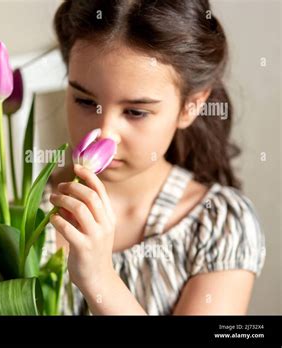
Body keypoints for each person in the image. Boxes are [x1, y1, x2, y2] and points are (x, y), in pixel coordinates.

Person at [39, 0, 266, 315]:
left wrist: (99, 279)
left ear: (192, 106)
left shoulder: (217, 226)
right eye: (84, 101)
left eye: (135, 111)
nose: (105, 133)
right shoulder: (17, 214)